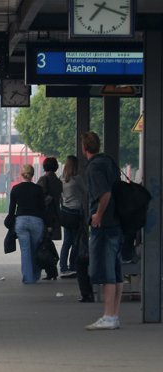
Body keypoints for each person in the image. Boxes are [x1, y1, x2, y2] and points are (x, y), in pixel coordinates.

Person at [81, 131, 123, 330]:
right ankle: (114, 315)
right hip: (116, 223)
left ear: (84, 149)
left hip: (104, 226)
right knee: (115, 271)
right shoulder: (109, 163)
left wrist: (98, 215)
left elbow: (104, 194)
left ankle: (108, 316)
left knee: (106, 272)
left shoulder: (94, 168)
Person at [7, 164, 46, 284]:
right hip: (36, 222)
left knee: (25, 251)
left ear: (21, 174)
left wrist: (10, 224)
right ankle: (35, 274)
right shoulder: (38, 189)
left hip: (21, 221)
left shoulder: (16, 189)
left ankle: (28, 278)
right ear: (33, 175)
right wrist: (48, 225)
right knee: (35, 250)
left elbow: (11, 210)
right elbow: (43, 208)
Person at [59, 155, 85, 278]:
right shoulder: (77, 179)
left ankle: (63, 268)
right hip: (75, 213)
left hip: (65, 213)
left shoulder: (61, 179)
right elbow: (86, 191)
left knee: (66, 242)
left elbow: (60, 197)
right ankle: (72, 266)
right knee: (76, 242)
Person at [37, 157, 62, 279]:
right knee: (48, 244)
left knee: (44, 245)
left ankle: (51, 270)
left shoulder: (43, 179)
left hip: (45, 216)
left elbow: (38, 197)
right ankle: (52, 270)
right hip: (55, 215)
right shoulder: (58, 181)